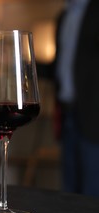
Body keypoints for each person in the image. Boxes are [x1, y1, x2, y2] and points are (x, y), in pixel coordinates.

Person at [54, 0, 99, 196]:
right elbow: (60, 66)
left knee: (91, 193)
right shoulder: (63, 16)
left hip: (93, 115)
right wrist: (25, 65)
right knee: (69, 192)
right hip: (67, 113)